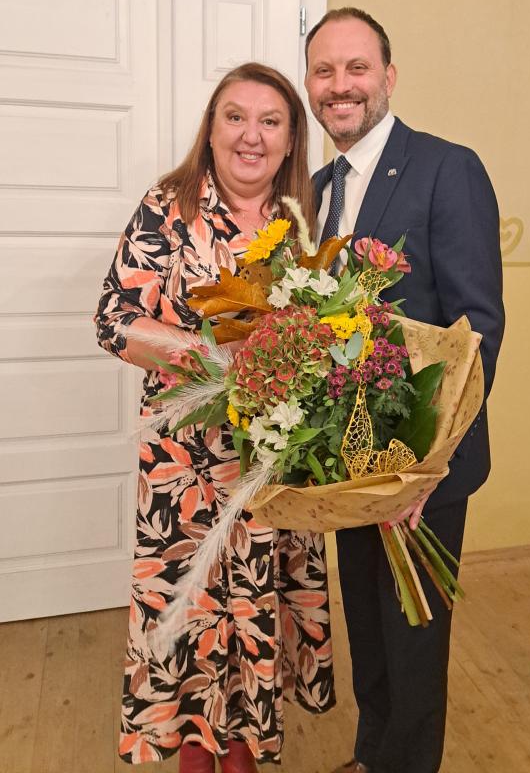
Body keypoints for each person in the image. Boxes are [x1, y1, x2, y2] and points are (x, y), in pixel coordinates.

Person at [95, 62, 335, 772]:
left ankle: (244, 757)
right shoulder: (169, 206)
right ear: (212, 128)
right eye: (236, 117)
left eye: (270, 121)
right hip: (186, 474)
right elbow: (113, 318)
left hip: (272, 473)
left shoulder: (302, 222)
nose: (251, 136)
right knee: (191, 627)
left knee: (256, 622)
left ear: (290, 140)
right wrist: (217, 359)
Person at [304, 8, 505, 773]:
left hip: (422, 471)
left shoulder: (447, 168)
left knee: (415, 642)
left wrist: (425, 468)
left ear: (388, 77)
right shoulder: (318, 189)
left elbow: (477, 328)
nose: (340, 85)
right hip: (347, 467)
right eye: (324, 71)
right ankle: (371, 757)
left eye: (356, 68)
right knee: (368, 626)